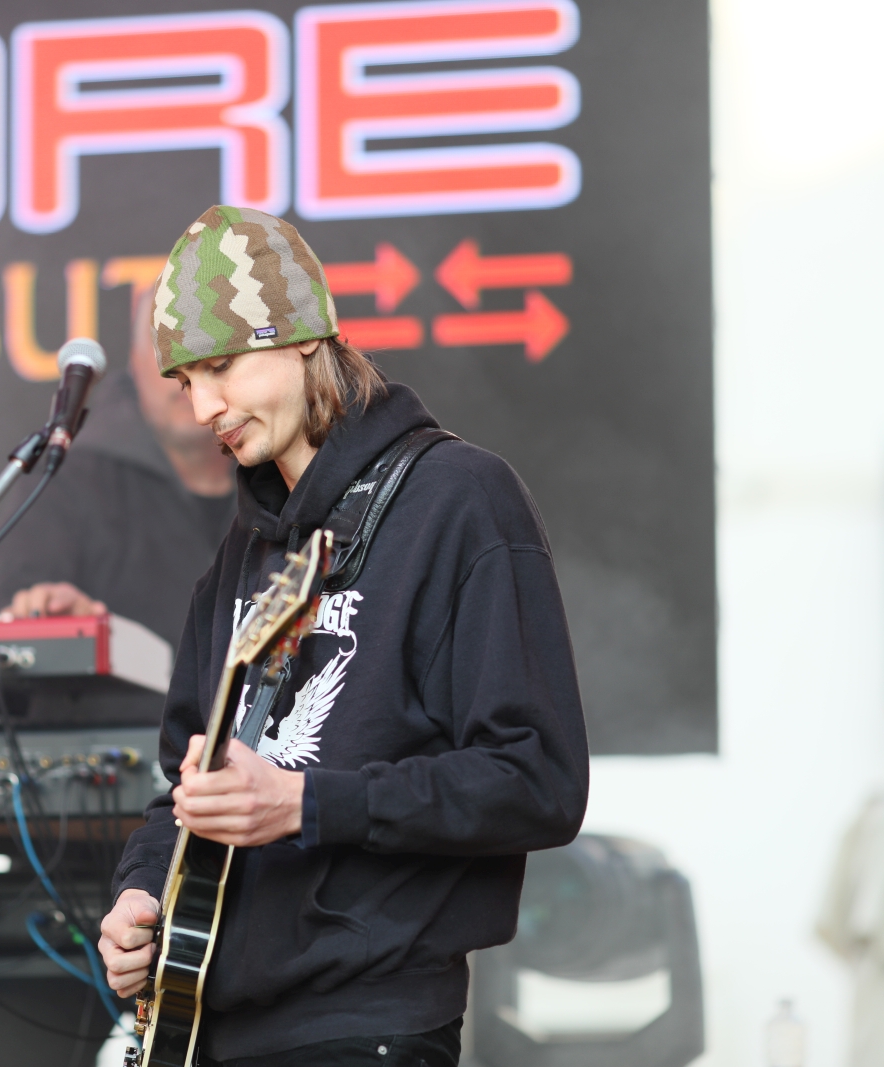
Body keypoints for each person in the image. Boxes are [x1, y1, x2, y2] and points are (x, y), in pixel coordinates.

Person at [97, 206, 590, 1067]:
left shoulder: (459, 501)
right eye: (184, 381)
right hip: (211, 1028)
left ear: (299, 337)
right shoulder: (241, 557)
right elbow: (181, 792)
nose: (204, 407)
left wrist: (304, 803)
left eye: (220, 366)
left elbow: (536, 778)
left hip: (369, 1023)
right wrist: (139, 893)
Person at [0, 285, 236, 645]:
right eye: (168, 348)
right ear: (135, 362)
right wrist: (55, 618)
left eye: (209, 348)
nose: (186, 370)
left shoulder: (288, 475)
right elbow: (2, 617)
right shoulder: (66, 478)